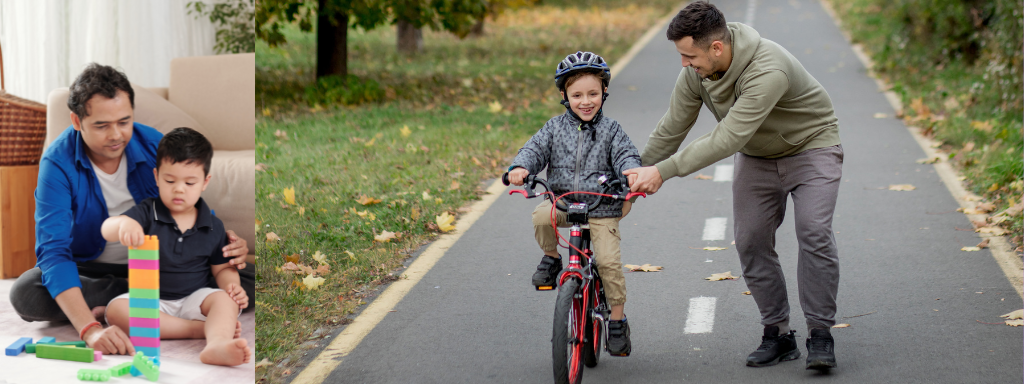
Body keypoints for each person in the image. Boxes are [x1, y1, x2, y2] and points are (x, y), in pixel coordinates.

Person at [624, 2, 843, 370]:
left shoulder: (768, 68)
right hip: (758, 157)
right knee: (750, 239)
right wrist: (632, 173)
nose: (683, 64)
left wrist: (663, 172)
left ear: (716, 48)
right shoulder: (696, 73)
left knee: (813, 231)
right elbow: (671, 128)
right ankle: (777, 333)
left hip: (812, 148)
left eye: (688, 55)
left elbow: (728, 138)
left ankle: (820, 334)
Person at [8, 63, 252, 356]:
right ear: (76, 120)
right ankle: (129, 305)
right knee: (27, 292)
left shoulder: (153, 145)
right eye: (101, 125)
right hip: (95, 270)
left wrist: (225, 244)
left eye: (124, 122)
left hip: (166, 266)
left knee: (249, 280)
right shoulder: (57, 164)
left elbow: (186, 202)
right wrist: (89, 329)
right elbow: (54, 252)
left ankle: (139, 306)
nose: (116, 135)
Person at [507, 51, 642, 356]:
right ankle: (553, 258)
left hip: (603, 206)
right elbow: (534, 149)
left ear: (604, 93)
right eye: (577, 94)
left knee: (607, 263)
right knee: (542, 216)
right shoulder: (554, 128)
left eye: (593, 93)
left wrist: (631, 172)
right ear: (564, 95)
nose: (586, 101)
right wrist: (521, 167)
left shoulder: (612, 131)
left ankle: (617, 323)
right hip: (565, 203)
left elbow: (626, 155)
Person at [101, 127, 250, 366]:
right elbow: (106, 229)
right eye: (170, 180)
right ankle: (199, 331)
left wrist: (233, 288)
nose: (179, 188)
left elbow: (221, 268)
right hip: (150, 300)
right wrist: (123, 224)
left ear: (205, 182)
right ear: (157, 176)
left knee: (226, 302)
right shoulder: (147, 212)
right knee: (116, 311)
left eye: (190, 182)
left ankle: (217, 344)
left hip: (194, 299)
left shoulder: (213, 225)